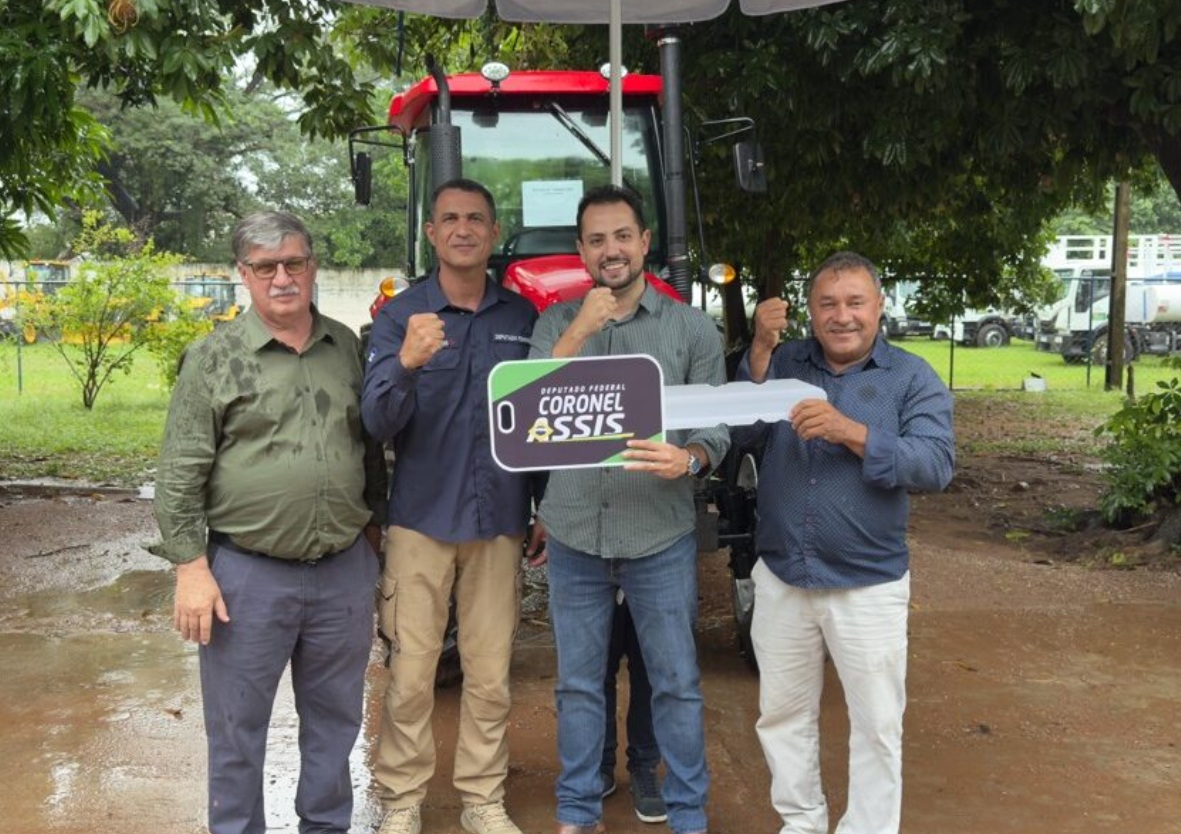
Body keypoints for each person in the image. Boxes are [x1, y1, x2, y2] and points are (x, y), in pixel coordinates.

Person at [151, 211, 387, 834]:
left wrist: (372, 533)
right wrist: (190, 567)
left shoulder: (347, 347)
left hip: (342, 571)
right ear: (244, 275)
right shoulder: (214, 358)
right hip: (246, 578)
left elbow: (368, 450)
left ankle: (326, 826)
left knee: (336, 723)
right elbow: (179, 472)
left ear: (312, 266)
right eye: (265, 267)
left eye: (294, 263)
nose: (282, 278)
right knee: (237, 729)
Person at [529, 184, 729, 834]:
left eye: (622, 236)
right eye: (596, 240)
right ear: (581, 250)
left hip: (659, 534)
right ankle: (577, 813)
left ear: (644, 242)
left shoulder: (691, 328)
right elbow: (525, 411)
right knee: (577, 685)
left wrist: (691, 458)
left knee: (676, 683)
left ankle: (688, 814)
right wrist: (581, 330)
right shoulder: (556, 324)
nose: (610, 250)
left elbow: (716, 425)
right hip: (574, 533)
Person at [736, 251, 955, 834]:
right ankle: (801, 822)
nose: (842, 316)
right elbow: (741, 431)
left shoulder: (911, 377)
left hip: (868, 583)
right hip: (783, 574)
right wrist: (758, 350)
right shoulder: (785, 362)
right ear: (809, 310)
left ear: (879, 306)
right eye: (827, 304)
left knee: (877, 724)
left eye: (855, 302)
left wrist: (851, 431)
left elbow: (935, 464)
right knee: (782, 715)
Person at [361, 178, 544, 834]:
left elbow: (542, 420)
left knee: (490, 675)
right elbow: (376, 421)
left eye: (475, 218)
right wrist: (407, 363)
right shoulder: (400, 316)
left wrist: (544, 505)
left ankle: (482, 801)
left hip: (499, 520)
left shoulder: (521, 319)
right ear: (431, 233)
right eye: (450, 219)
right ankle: (402, 800)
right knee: (411, 674)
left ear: (493, 233)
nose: (463, 229)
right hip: (421, 521)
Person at [600, 596, 667, 824]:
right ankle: (599, 764)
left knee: (650, 669)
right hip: (592, 578)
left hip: (654, 578)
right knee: (596, 668)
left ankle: (644, 765)